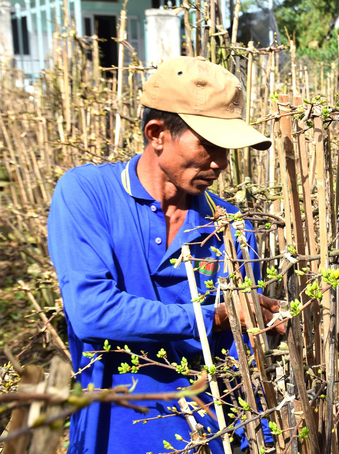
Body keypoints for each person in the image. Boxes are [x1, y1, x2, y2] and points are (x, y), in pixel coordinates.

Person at [48, 56, 284, 453]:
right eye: (209, 145)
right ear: (156, 133)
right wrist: (217, 316)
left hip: (213, 437)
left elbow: (238, 354)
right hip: (114, 436)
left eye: (227, 149)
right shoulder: (86, 194)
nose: (221, 162)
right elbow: (91, 312)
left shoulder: (231, 225)